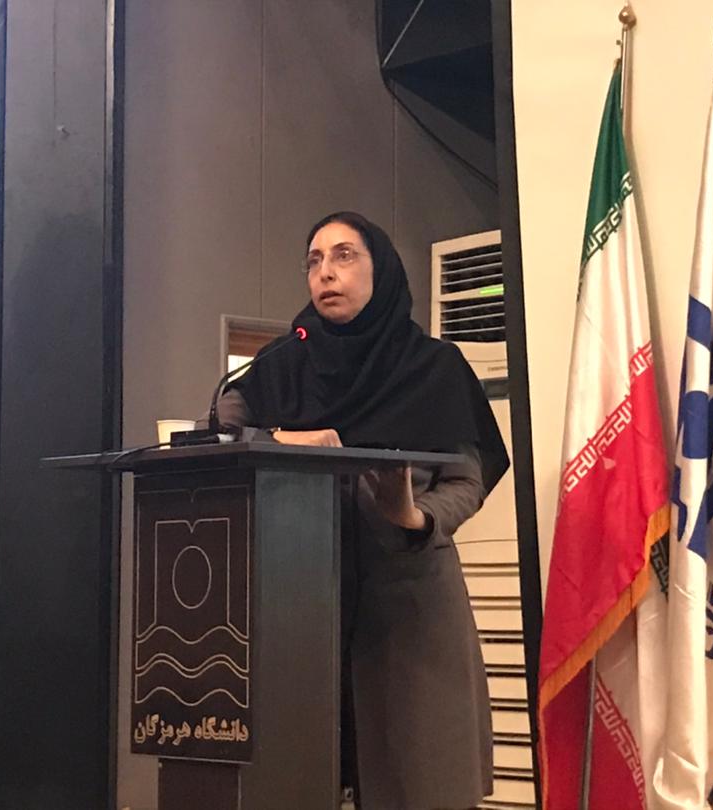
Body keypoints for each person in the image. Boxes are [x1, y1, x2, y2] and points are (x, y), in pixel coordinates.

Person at [209, 211, 509, 810]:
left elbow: (466, 480)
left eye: (344, 256)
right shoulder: (279, 364)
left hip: (407, 608)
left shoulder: (433, 367)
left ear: (382, 270)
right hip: (299, 609)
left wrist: (415, 518)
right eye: (314, 261)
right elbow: (217, 434)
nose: (326, 273)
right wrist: (280, 438)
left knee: (415, 784)